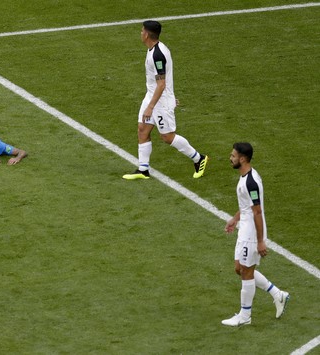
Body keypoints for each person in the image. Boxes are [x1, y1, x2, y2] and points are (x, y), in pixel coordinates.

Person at [123, 20, 208, 180]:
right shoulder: (155, 49)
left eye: (142, 31)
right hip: (152, 95)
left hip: (159, 101)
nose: (140, 33)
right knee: (142, 129)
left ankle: (199, 158)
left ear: (147, 34)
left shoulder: (157, 55)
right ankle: (143, 169)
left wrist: (151, 106)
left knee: (167, 136)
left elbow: (161, 84)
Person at [221, 143, 289, 326]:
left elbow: (257, 212)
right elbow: (246, 206)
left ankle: (245, 317)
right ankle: (278, 294)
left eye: (233, 155)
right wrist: (234, 219)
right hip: (244, 227)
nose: (230, 158)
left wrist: (260, 241)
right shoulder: (245, 177)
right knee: (239, 268)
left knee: (247, 270)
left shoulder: (250, 182)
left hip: (251, 232)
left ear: (242, 159)